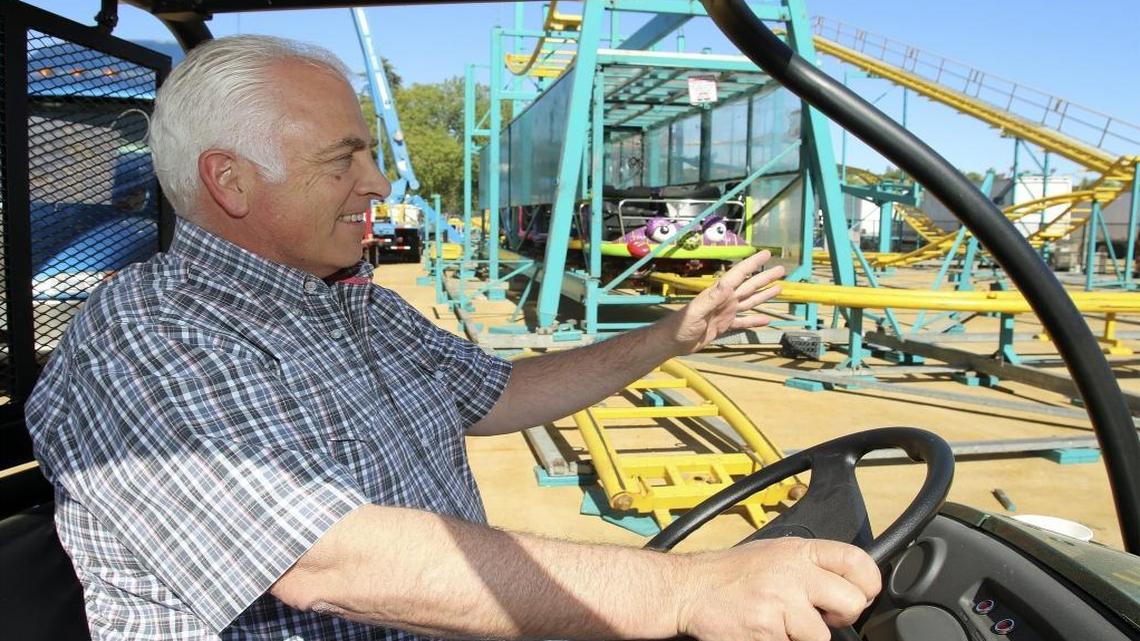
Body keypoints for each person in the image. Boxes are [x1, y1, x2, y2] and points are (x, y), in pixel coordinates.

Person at [26, 35, 879, 641]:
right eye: (344, 158)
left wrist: (670, 335)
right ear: (232, 181)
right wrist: (683, 590)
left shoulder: (357, 308)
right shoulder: (148, 337)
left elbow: (503, 393)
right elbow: (329, 561)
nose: (380, 180)